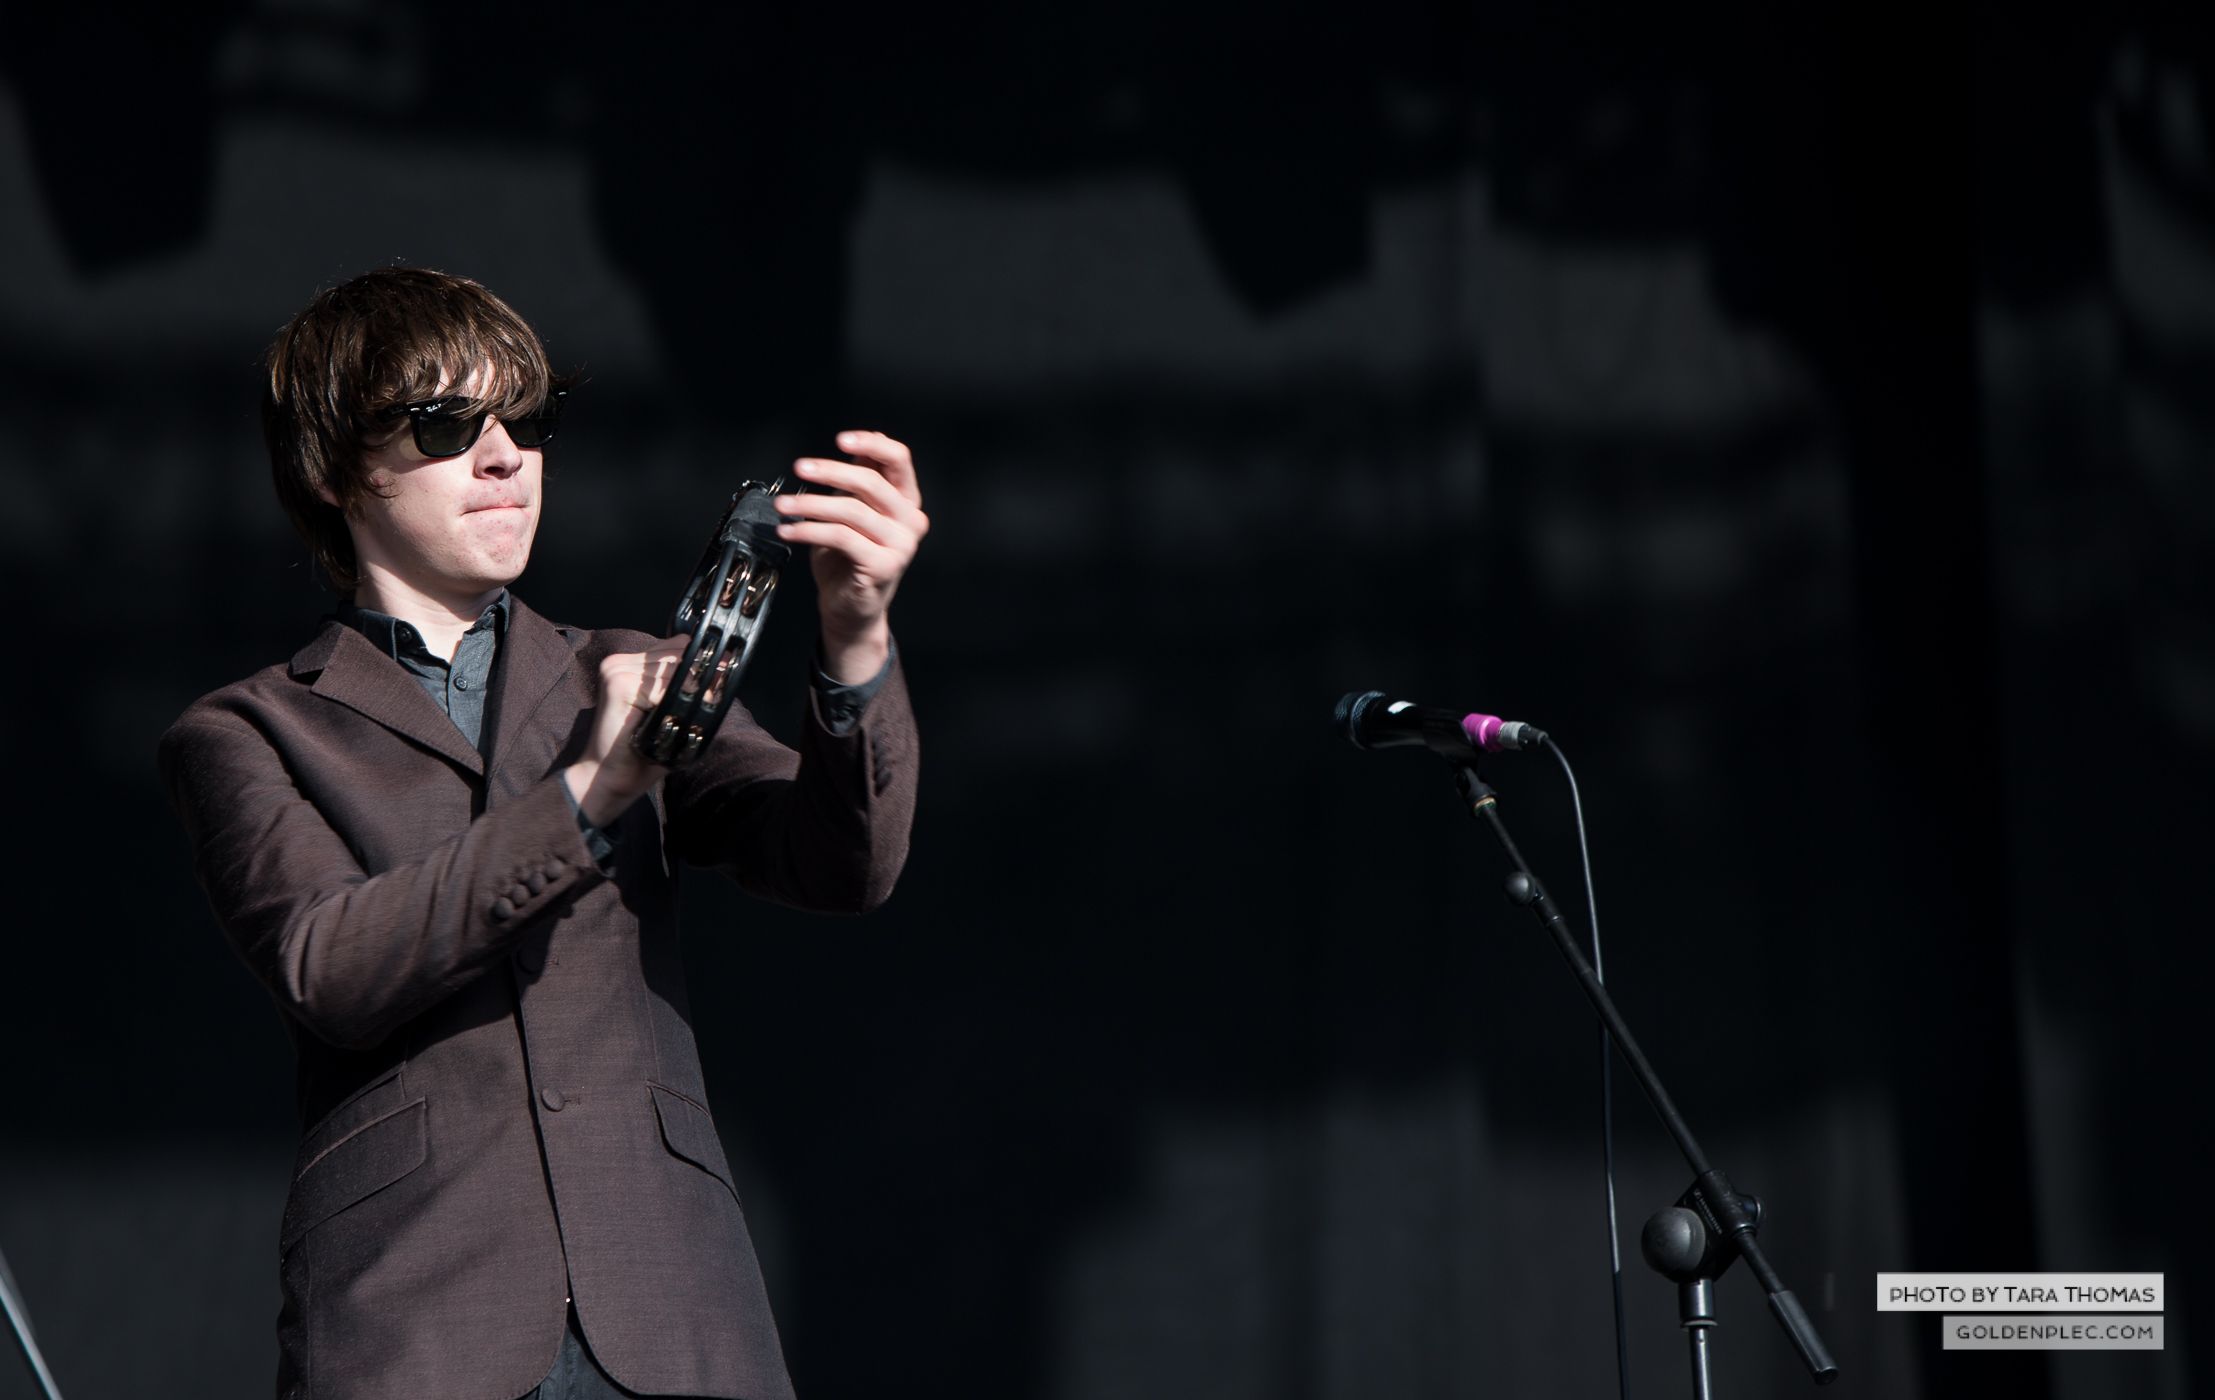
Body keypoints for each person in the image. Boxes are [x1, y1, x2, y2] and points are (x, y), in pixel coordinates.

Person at [159, 268, 925, 1400]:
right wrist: (588, 792)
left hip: (668, 1303)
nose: (505, 455)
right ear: (333, 469)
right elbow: (333, 967)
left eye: (526, 420)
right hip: (419, 1320)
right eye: (445, 424)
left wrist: (855, 635)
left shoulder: (614, 670)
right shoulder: (250, 727)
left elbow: (840, 861)